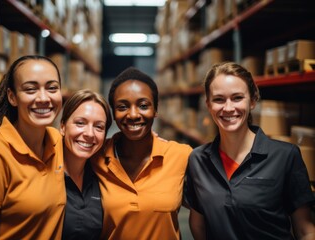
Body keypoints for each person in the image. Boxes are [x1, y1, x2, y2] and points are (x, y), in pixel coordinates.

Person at [185, 61, 315, 240]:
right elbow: (198, 223)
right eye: (219, 99)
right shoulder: (198, 160)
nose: (228, 108)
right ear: (208, 104)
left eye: (237, 98)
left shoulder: (285, 156)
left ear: (253, 101)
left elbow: (305, 230)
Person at [0, 55, 66, 239]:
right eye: (31, 89)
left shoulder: (57, 142)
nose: (43, 98)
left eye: (52, 88)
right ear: (12, 97)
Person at [91, 67, 193, 240]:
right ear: (113, 114)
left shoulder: (181, 156)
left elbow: (209, 209)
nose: (133, 114)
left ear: (155, 109)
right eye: (122, 107)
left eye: (143, 105)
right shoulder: (94, 158)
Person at [60, 89, 112, 239]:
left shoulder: (102, 175)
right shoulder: (44, 172)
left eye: (99, 127)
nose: (90, 133)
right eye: (80, 123)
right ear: (63, 126)